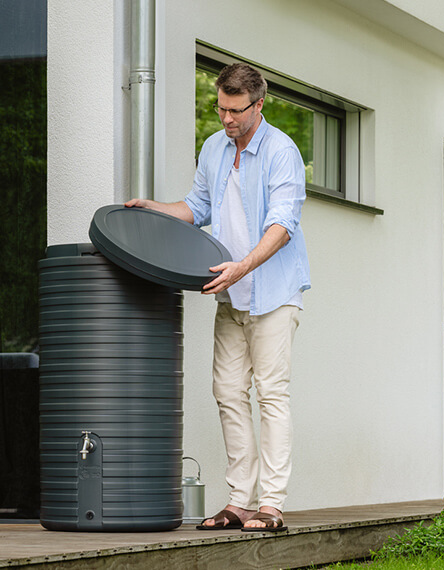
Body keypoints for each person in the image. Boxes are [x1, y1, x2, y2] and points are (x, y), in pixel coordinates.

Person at [124, 63, 310, 532]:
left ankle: (271, 505)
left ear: (258, 105)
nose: (225, 118)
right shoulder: (213, 147)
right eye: (220, 108)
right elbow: (199, 208)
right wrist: (156, 209)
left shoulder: (282, 152)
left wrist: (242, 266)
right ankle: (239, 502)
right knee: (228, 393)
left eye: (235, 110)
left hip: (272, 292)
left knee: (271, 396)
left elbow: (283, 225)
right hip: (231, 296)